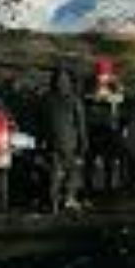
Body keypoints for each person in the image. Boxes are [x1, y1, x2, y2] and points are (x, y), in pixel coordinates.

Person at [46, 61, 87, 212]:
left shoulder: (51, 100)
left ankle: (61, 201)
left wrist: (83, 146)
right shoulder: (54, 100)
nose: (61, 82)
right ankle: (61, 201)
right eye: (60, 79)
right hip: (63, 143)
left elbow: (80, 125)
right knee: (63, 174)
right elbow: (80, 125)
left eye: (63, 79)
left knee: (64, 174)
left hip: (64, 143)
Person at [84, 57, 127, 196]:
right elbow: (83, 98)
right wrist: (93, 97)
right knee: (90, 159)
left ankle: (109, 187)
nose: (102, 77)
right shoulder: (88, 83)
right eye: (100, 74)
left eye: (105, 74)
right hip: (93, 127)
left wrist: (106, 98)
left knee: (109, 159)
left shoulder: (116, 84)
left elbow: (121, 98)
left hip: (110, 128)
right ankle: (88, 187)